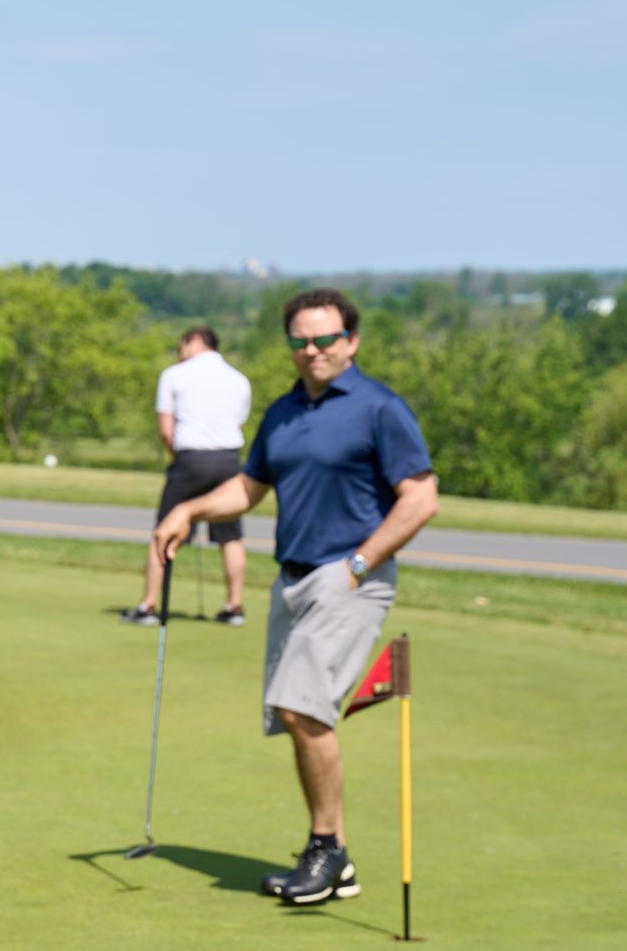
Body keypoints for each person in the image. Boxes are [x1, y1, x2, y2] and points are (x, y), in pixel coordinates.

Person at [153, 287, 439, 906]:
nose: (312, 350)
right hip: (293, 579)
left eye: (325, 338)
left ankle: (327, 851)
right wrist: (188, 510)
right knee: (295, 714)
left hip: (350, 576)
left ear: (351, 342)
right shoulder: (283, 412)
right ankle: (333, 858)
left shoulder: (379, 408)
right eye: (300, 341)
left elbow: (421, 498)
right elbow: (248, 489)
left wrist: (360, 564)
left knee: (302, 708)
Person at [125, 325, 252, 626]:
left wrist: (181, 458)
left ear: (194, 341)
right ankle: (234, 607)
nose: (179, 352)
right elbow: (239, 423)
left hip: (190, 457)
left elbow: (166, 429)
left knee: (165, 530)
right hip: (229, 459)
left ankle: (149, 605)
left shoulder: (173, 375)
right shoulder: (239, 379)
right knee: (230, 536)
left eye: (181, 346)